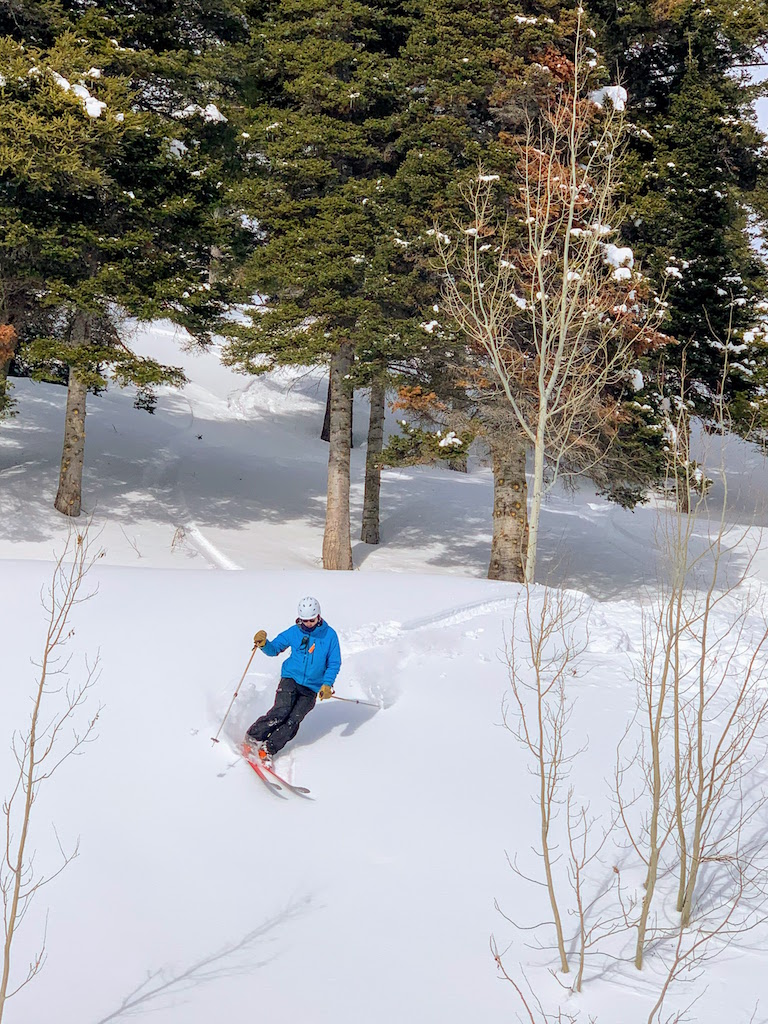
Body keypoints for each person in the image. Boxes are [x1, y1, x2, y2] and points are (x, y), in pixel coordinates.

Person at [244, 596, 341, 766]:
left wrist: (327, 684)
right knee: (281, 711)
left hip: (312, 687)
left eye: (312, 620)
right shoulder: (294, 632)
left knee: (293, 720)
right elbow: (274, 649)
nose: (308, 624)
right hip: (291, 677)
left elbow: (334, 663)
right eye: (305, 620)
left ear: (318, 616)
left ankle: (268, 748)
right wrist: (264, 644)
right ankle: (253, 736)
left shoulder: (329, 636)